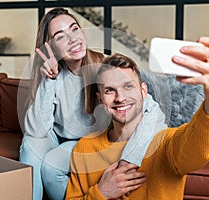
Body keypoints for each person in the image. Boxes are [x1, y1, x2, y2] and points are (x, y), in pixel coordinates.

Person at [19, 8, 166, 200]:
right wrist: (49, 80)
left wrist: (130, 158)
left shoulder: (105, 66)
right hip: (60, 138)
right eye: (60, 36)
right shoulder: (52, 74)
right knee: (30, 146)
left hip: (92, 141)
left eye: (75, 29)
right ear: (51, 47)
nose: (73, 39)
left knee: (51, 166)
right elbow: (37, 131)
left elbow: (152, 110)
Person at [66, 37, 209, 199]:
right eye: (110, 90)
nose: (120, 98)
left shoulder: (165, 143)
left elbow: (195, 151)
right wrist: (101, 193)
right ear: (100, 99)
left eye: (128, 86)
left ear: (144, 91)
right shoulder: (84, 148)